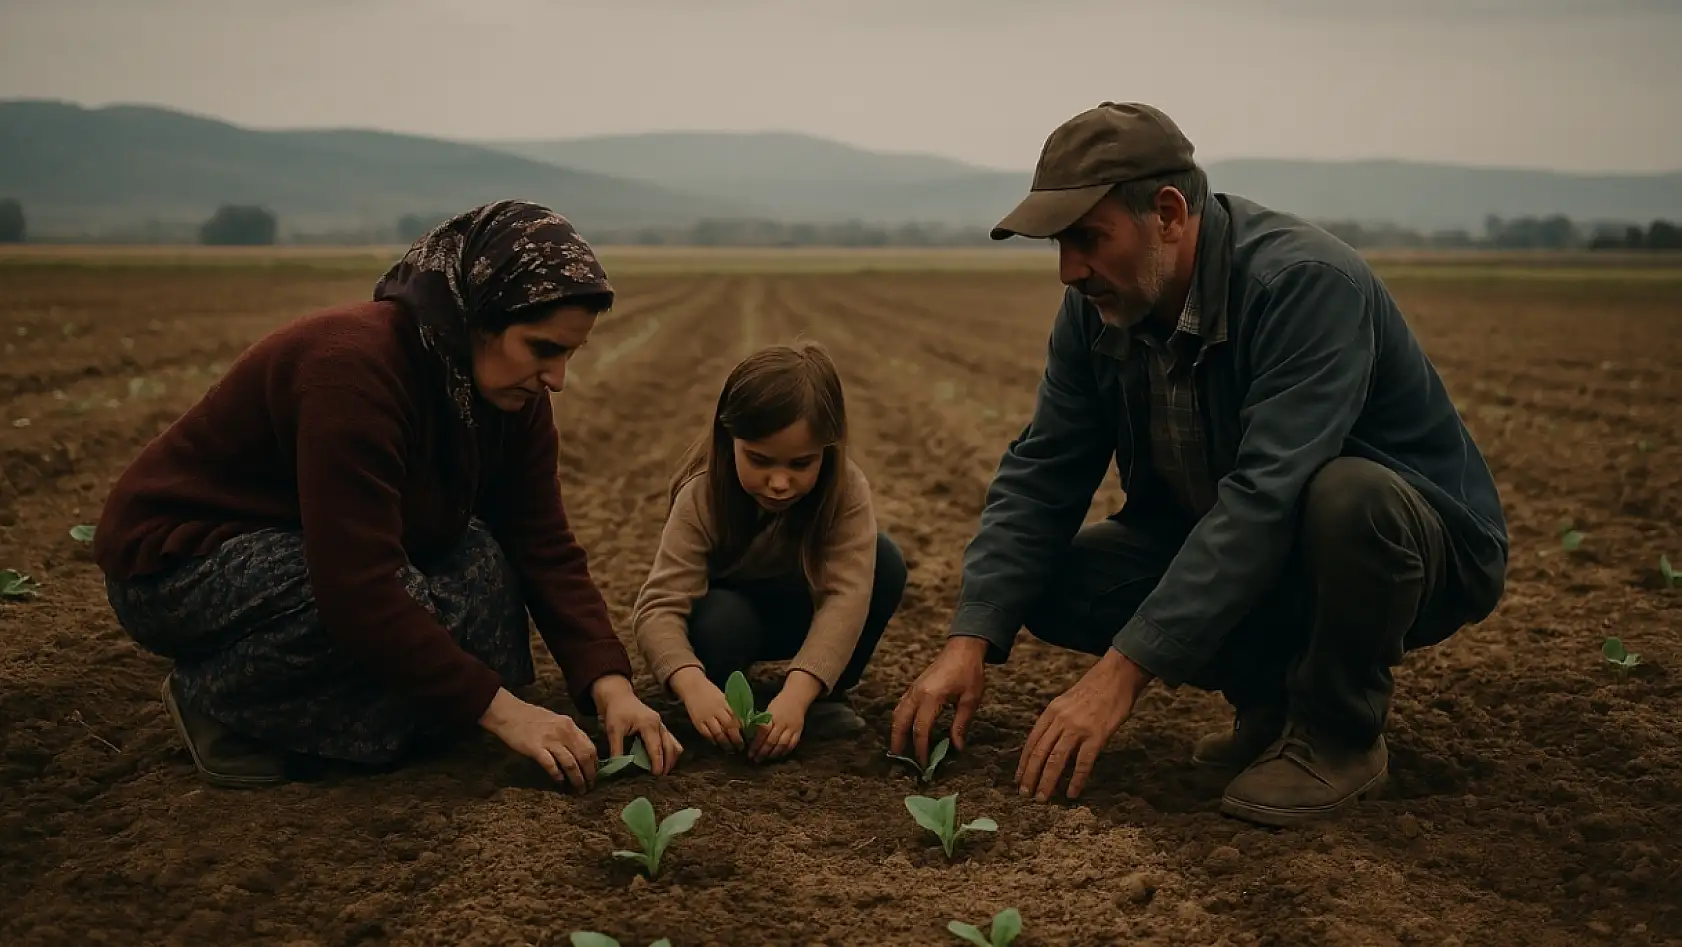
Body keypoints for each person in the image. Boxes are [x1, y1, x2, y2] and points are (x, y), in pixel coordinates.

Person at [890, 102, 1509, 826]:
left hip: (1407, 548)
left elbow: (1264, 497)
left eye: (1087, 238)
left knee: (1348, 495)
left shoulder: (1302, 285)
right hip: (1252, 537)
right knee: (1048, 582)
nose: (1068, 270)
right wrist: (971, 638)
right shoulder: (1101, 309)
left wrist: (1119, 678)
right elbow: (1044, 469)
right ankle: (1274, 705)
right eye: (1059, 243)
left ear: (1169, 213)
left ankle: (1340, 734)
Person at [94, 200, 682, 792]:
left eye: (569, 354)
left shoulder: (513, 398)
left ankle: (355, 712)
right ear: (475, 316)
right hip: (183, 563)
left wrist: (612, 689)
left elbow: (541, 542)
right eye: (543, 349)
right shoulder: (352, 371)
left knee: (482, 574)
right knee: (383, 615)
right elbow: (356, 585)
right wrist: (506, 712)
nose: (557, 378)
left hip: (326, 545)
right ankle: (218, 701)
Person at [631, 341, 907, 763]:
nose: (779, 482)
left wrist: (797, 694)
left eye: (800, 464)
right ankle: (725, 706)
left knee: (883, 562)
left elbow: (844, 597)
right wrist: (690, 684)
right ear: (729, 441)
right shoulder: (702, 494)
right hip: (728, 623)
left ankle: (822, 698)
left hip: (801, 609)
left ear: (828, 450)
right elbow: (657, 607)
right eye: (759, 460)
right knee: (724, 618)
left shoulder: (845, 491)